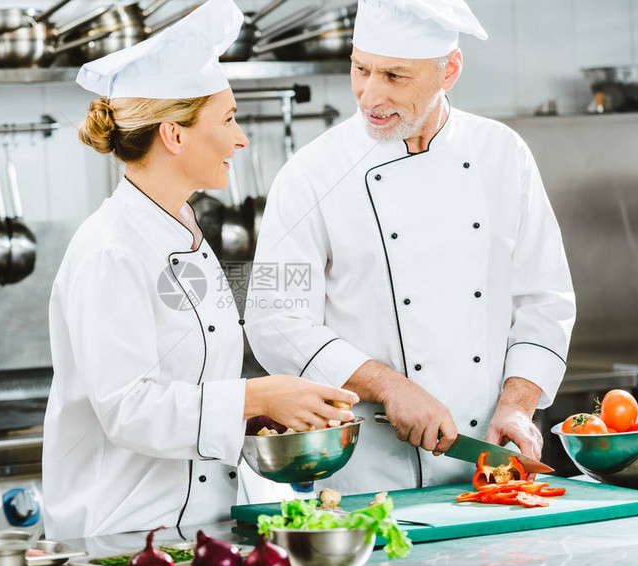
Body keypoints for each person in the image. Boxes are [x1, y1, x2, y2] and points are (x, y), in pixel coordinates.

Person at [42, 0, 358, 539]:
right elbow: (128, 409)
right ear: (174, 134)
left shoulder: (184, 230)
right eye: (229, 119)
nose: (241, 138)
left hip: (199, 528)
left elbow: (189, 387)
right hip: (121, 534)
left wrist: (256, 418)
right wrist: (257, 395)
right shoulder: (110, 251)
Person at [244, 0, 576, 494]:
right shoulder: (309, 174)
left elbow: (545, 301)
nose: (369, 95)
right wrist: (389, 386)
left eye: (395, 76)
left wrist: (518, 405)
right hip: (369, 474)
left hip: (490, 466)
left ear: (450, 71)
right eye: (361, 69)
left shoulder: (503, 155)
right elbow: (275, 318)